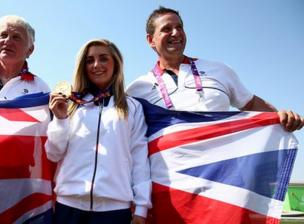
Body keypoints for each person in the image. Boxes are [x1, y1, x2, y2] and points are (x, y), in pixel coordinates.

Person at [126, 6, 303, 132]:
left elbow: (250, 103)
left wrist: (280, 116)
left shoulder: (219, 69)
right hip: (169, 181)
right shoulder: (137, 89)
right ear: (151, 40)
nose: (176, 33)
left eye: (180, 27)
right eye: (167, 29)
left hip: (221, 177)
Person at [46, 39, 151, 224]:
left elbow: (139, 159)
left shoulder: (132, 107)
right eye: (89, 60)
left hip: (114, 211)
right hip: (68, 207)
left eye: (103, 59)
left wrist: (142, 208)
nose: (96, 65)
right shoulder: (71, 104)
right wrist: (60, 120)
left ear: (115, 63)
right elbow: (53, 154)